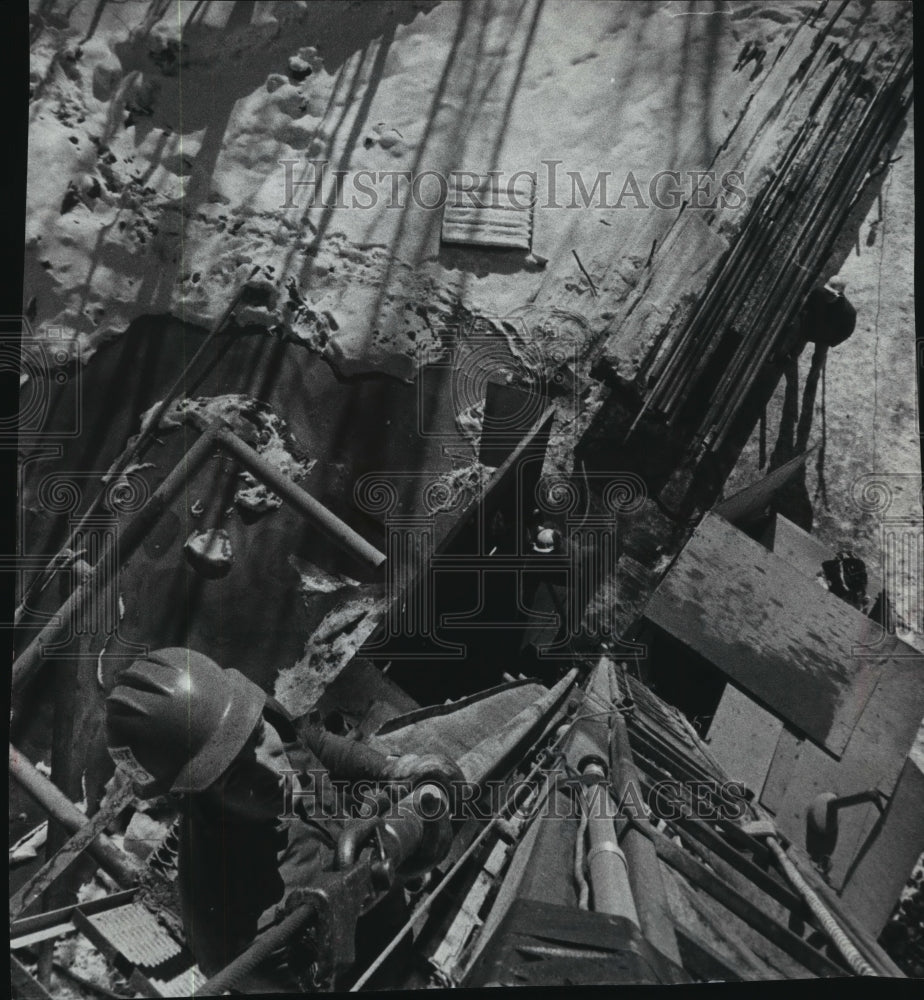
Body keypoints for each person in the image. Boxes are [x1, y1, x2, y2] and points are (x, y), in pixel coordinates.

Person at [105, 648, 462, 992]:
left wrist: (390, 770)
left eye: (258, 736)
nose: (273, 770)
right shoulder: (240, 935)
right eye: (233, 776)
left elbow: (312, 742)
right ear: (191, 794)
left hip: (392, 908)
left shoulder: (248, 717)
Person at [802, 274, 857, 349]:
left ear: (840, 294)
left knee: (819, 356)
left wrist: (832, 342)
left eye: (832, 294)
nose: (828, 296)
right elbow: (806, 307)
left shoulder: (848, 311)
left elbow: (847, 331)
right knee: (797, 346)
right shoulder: (817, 293)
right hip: (809, 328)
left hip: (825, 337)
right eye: (827, 292)